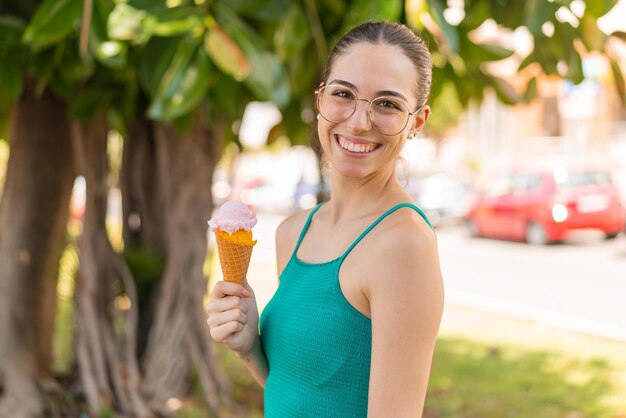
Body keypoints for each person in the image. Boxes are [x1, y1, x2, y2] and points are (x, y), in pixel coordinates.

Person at [206, 21, 444, 417]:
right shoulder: (293, 232)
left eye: (387, 103)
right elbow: (308, 393)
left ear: (416, 121)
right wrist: (250, 348)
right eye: (343, 94)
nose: (357, 121)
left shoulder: (403, 244)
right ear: (320, 99)